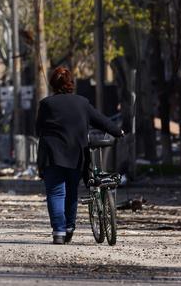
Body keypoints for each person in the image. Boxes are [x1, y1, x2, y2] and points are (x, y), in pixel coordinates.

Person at [36, 66, 123, 245]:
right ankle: (69, 227)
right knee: (71, 192)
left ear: (52, 84)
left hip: (52, 155)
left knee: (56, 193)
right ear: (71, 83)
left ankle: (58, 232)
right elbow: (100, 120)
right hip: (76, 155)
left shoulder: (46, 104)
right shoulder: (82, 102)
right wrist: (118, 131)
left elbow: (38, 129)